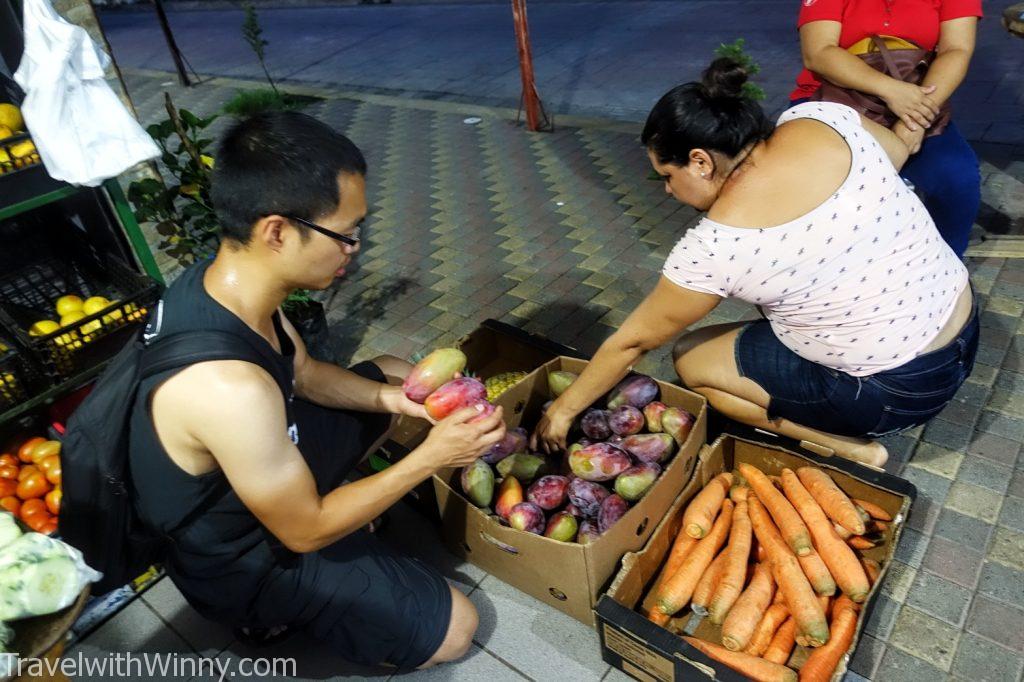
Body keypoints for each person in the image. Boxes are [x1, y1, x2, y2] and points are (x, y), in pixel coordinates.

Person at [127, 111, 505, 671]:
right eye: (345, 235)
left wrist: (394, 401)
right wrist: (432, 457)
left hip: (259, 469)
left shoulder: (231, 284)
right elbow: (303, 531)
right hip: (243, 556)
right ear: (277, 231)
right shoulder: (226, 387)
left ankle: (348, 508)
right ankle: (267, 614)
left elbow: (304, 375)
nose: (355, 248)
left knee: (399, 375)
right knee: (456, 628)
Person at [533, 59, 978, 467]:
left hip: (897, 394)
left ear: (701, 162)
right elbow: (897, 154)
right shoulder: (823, 117)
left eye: (667, 176)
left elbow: (632, 343)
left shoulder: (715, 248)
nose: (667, 190)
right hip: (964, 331)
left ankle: (848, 446)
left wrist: (563, 410)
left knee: (691, 361)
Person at [793, 0, 983, 257]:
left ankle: (946, 270)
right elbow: (818, 52)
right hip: (835, 97)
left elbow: (957, 49)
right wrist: (892, 91)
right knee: (831, 185)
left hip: (920, 97)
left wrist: (915, 119)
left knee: (958, 177)